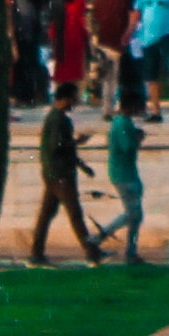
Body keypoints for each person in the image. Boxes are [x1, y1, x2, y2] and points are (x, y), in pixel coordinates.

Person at [27, 95, 109, 267]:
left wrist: (82, 165)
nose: (74, 104)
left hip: (53, 174)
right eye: (73, 100)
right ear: (64, 99)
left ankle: (36, 254)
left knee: (46, 215)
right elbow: (57, 146)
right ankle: (91, 253)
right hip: (61, 175)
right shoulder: (58, 120)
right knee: (74, 214)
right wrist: (77, 142)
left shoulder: (55, 118)